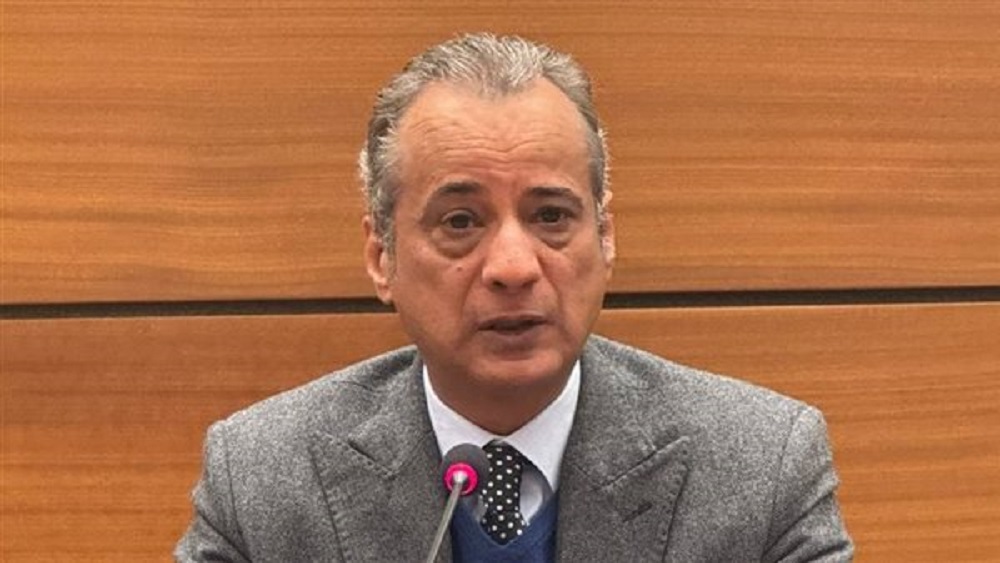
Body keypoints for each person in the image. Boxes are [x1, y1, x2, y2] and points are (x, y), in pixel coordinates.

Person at [176, 33, 853, 562]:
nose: (512, 267)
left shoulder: (763, 466)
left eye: (551, 216)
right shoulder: (262, 477)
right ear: (382, 256)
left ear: (605, 237)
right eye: (460, 222)